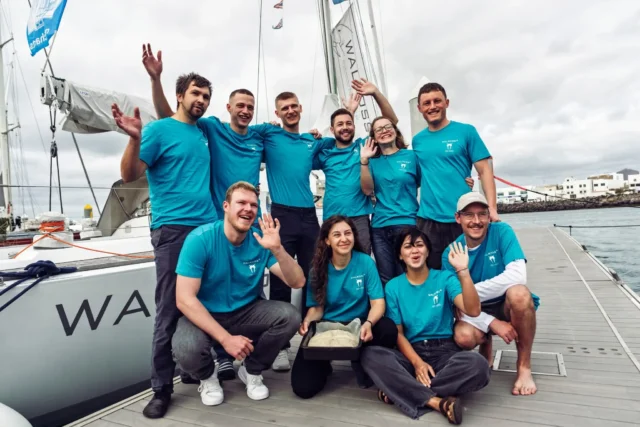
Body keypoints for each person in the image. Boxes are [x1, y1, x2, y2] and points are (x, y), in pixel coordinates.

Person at [113, 72, 217, 418]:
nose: (201, 100)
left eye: (206, 96)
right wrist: (134, 139)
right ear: (180, 95)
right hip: (172, 230)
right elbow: (129, 175)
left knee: (203, 302)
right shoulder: (158, 131)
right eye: (195, 93)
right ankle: (161, 389)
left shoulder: (202, 132)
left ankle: (192, 367)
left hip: (206, 228)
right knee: (170, 309)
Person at [172, 181, 305, 406]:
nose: (248, 209)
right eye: (241, 202)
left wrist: (278, 249)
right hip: (206, 314)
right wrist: (226, 339)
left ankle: (251, 370)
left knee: (290, 316)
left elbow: (298, 281)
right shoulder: (200, 239)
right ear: (226, 206)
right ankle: (208, 377)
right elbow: (184, 299)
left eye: (253, 205)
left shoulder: (259, 240)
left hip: (246, 312)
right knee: (185, 348)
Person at [360, 228, 490, 424]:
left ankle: (401, 389)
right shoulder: (393, 287)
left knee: (478, 365)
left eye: (420, 245)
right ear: (400, 255)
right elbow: (398, 334)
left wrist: (463, 271)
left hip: (445, 351)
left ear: (428, 251)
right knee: (371, 355)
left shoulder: (444, 279)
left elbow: (473, 310)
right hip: (411, 353)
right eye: (408, 247)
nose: (415, 251)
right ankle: (437, 402)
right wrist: (417, 363)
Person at [442, 192, 540, 396]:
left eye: (482, 214)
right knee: (463, 337)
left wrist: (468, 295)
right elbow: (455, 303)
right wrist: (491, 322)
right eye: (469, 215)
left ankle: (524, 366)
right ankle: (485, 342)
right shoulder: (450, 253)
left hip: (505, 304)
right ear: (458, 218)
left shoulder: (502, 231)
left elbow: (518, 275)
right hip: (475, 312)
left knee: (520, 294)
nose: (476, 221)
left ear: (489, 216)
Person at [291, 215, 397, 398]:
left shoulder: (365, 262)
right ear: (327, 240)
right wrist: (307, 322)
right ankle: (324, 364)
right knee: (303, 388)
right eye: (337, 235)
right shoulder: (317, 269)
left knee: (387, 328)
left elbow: (378, 303)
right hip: (328, 329)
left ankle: (364, 360)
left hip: (360, 326)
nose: (344, 239)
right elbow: (317, 309)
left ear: (354, 236)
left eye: (348, 233)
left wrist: (369, 323)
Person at [359, 117, 475, 285]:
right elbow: (367, 190)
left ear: (395, 131)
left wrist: (461, 182)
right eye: (379, 129)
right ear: (374, 138)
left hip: (408, 223)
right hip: (379, 227)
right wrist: (364, 161)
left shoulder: (412, 157)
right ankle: (391, 304)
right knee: (386, 278)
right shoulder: (371, 162)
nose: (384, 131)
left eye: (388, 127)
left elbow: (431, 177)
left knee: (408, 275)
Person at [260, 91, 327, 371]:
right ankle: (281, 346)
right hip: (282, 214)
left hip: (308, 215)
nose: (290, 111)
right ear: (277, 113)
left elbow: (337, 147)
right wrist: (267, 127)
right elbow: (242, 138)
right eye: (284, 108)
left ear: (300, 108)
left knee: (316, 274)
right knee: (281, 280)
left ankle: (316, 336)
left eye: (293, 107)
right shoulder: (269, 136)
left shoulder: (310, 141)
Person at [412, 82, 499, 269]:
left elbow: (485, 171)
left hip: (462, 218)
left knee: (467, 272)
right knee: (433, 276)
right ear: (419, 108)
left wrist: (491, 208)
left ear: (447, 103)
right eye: (427, 103)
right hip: (428, 221)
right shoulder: (417, 140)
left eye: (437, 101)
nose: (432, 106)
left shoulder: (466, 131)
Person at [316, 78, 398, 254]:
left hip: (359, 218)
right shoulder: (325, 153)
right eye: (340, 124)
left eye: (348, 123)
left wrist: (376, 93)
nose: (345, 127)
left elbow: (391, 122)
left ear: (354, 125)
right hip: (332, 218)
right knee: (332, 264)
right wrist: (312, 135)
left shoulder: (364, 146)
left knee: (363, 262)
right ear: (332, 130)